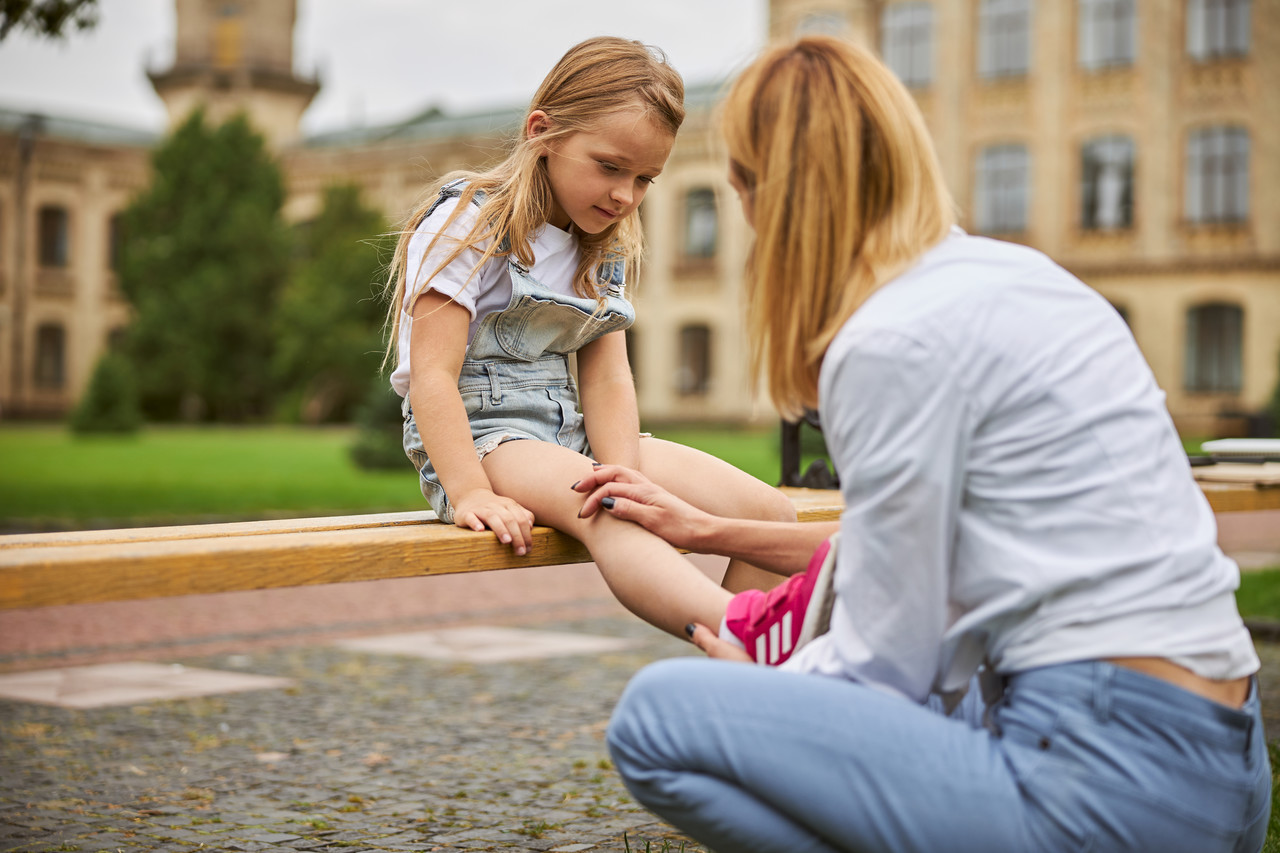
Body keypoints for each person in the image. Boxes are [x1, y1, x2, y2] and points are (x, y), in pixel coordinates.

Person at [575, 36, 1271, 852]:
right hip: (1227, 759)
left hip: (1105, 778)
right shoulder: (1025, 277)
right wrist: (706, 532)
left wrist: (765, 682)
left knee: (660, 718)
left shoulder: (890, 341)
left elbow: (885, 669)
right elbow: (904, 552)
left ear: (772, 196)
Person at [382, 36, 796, 640]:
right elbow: (432, 375)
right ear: (542, 133)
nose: (625, 196)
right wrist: (469, 490)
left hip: (570, 437)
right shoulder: (467, 223)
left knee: (771, 515)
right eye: (609, 167)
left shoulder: (602, 245)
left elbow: (607, 376)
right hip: (483, 439)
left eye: (646, 179)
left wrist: (629, 477)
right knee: (602, 511)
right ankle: (739, 637)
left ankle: (743, 674)